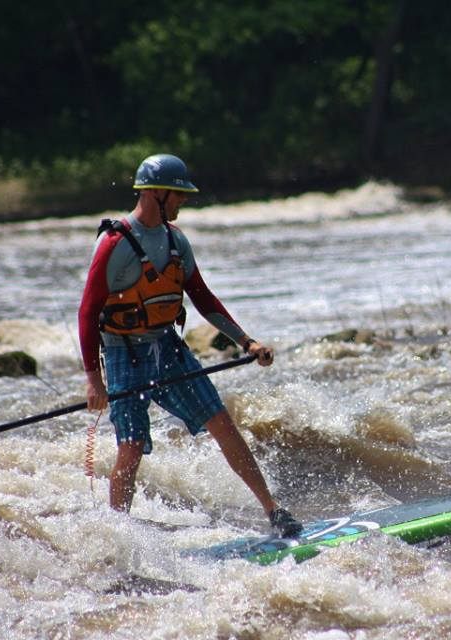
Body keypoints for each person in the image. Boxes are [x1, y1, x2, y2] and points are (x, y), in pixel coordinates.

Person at [78, 153, 302, 537]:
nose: (183, 201)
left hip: (167, 347)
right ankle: (118, 535)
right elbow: (87, 311)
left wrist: (246, 342)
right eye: (178, 194)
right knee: (131, 448)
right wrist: (93, 380)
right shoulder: (114, 243)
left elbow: (202, 297)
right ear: (156, 193)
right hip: (123, 353)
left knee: (222, 423)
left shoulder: (177, 240)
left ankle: (274, 511)